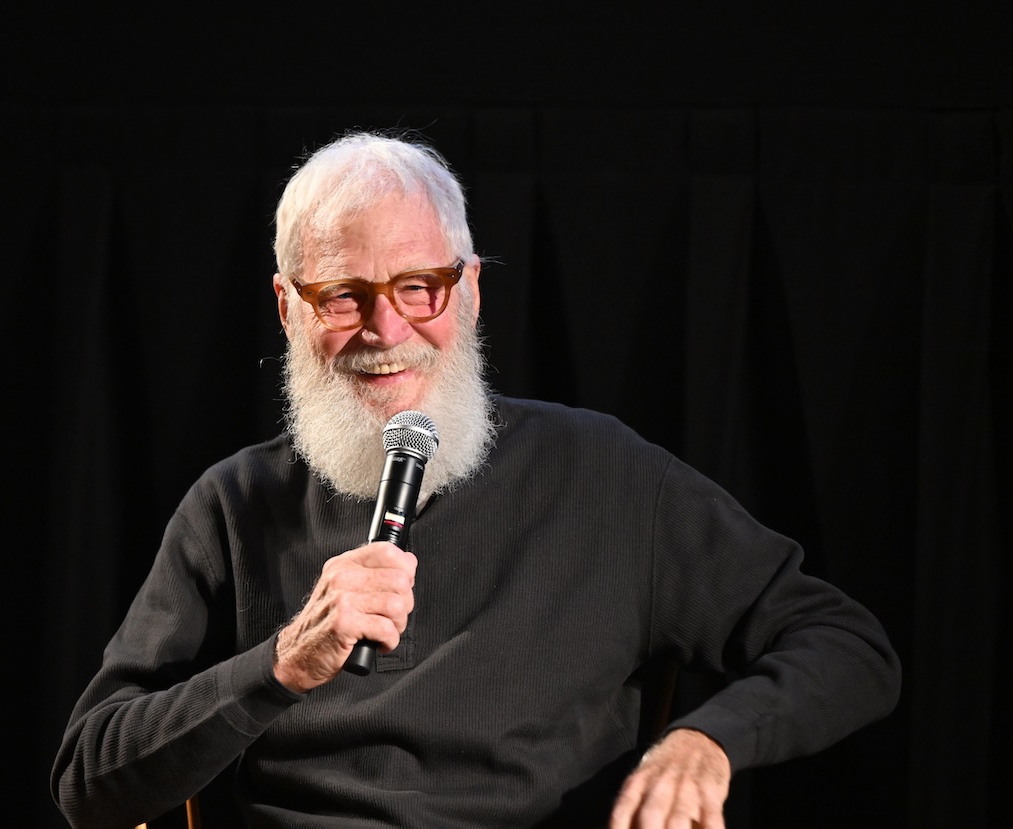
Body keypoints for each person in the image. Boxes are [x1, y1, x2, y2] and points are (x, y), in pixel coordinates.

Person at [51, 132, 900, 829]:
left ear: (471, 292)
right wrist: (278, 665)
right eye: (344, 297)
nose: (387, 330)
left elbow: (848, 644)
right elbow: (91, 780)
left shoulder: (606, 475)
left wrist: (706, 741)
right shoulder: (235, 505)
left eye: (419, 287)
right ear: (289, 308)